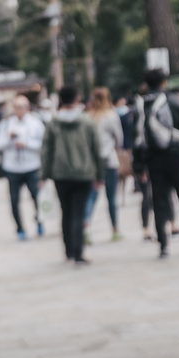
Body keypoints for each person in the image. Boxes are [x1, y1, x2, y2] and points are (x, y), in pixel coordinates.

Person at [40, 86, 102, 265]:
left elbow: (46, 150)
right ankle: (78, 252)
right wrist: (99, 174)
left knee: (66, 211)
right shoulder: (87, 122)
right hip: (84, 173)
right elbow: (96, 149)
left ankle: (68, 250)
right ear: (76, 99)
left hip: (60, 174)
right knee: (79, 212)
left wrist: (44, 174)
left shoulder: (53, 123)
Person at [132, 69, 179, 258]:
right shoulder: (174, 101)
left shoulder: (140, 104)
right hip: (175, 155)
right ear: (164, 81)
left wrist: (138, 164)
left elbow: (137, 137)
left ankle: (163, 244)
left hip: (153, 158)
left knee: (159, 200)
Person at [0, 95, 44, 240]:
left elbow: (43, 144)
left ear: (27, 108)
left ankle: (40, 221)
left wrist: (25, 143)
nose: (18, 110)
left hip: (32, 166)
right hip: (12, 168)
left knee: (36, 197)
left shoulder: (36, 123)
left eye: (21, 107)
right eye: (16, 107)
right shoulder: (6, 124)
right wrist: (9, 139)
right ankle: (20, 228)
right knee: (14, 200)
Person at [83, 87, 124, 242]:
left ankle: (86, 226)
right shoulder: (111, 116)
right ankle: (115, 229)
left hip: (93, 161)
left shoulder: (88, 117)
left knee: (91, 195)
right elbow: (119, 139)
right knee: (111, 197)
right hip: (109, 159)